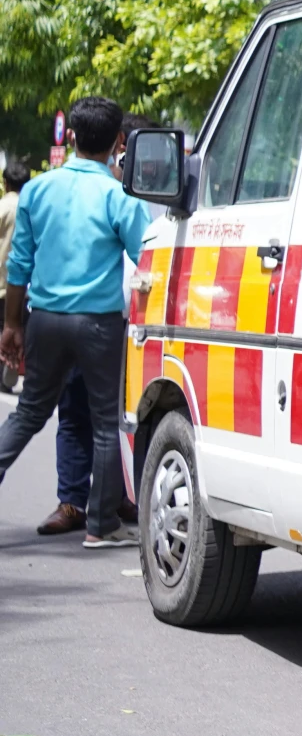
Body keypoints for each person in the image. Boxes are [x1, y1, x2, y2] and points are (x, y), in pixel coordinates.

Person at [0, 98, 152, 548]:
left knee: (30, 413)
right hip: (98, 323)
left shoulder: (37, 191)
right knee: (106, 422)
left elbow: (19, 265)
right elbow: (143, 257)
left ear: (70, 137)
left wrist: (12, 325)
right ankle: (101, 526)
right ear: (116, 144)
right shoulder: (116, 195)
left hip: (44, 319)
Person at [0, 160, 22, 395]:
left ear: (6, 183)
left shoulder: (3, 207)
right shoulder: (30, 208)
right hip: (20, 286)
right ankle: (6, 375)